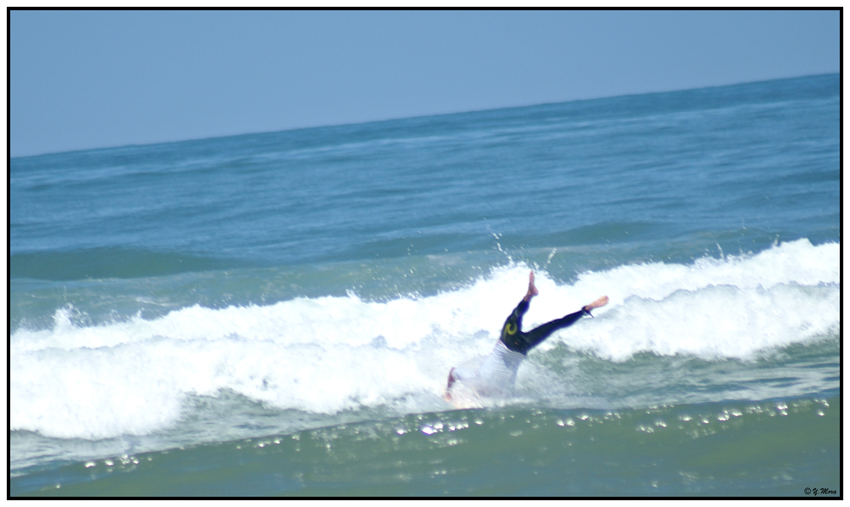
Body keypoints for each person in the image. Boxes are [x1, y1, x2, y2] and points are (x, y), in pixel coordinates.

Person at [445, 271, 608, 401]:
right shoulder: (496, 389)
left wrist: (448, 393)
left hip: (515, 347)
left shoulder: (488, 385)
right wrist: (448, 391)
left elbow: (453, 372)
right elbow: (453, 372)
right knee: (536, 321)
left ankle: (583, 309)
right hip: (514, 345)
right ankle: (580, 309)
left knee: (552, 325)